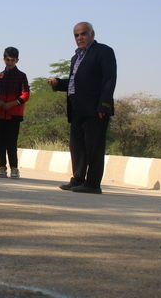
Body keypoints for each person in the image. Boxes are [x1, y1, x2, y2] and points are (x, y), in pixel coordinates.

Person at [47, 22, 117, 194]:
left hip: (95, 109)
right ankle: (78, 179)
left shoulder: (104, 51)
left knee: (94, 146)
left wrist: (104, 104)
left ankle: (92, 184)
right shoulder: (76, 57)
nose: (80, 38)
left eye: (83, 34)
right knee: (77, 146)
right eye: (76, 35)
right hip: (77, 109)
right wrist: (58, 83)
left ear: (92, 34)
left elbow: (109, 79)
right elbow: (74, 83)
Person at [0, 47, 30, 179]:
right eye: (7, 60)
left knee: (11, 143)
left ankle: (14, 168)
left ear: (17, 61)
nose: (9, 62)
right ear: (3, 59)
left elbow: (25, 95)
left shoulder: (21, 76)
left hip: (15, 115)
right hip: (1, 113)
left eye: (12, 60)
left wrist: (13, 103)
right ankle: (2, 167)